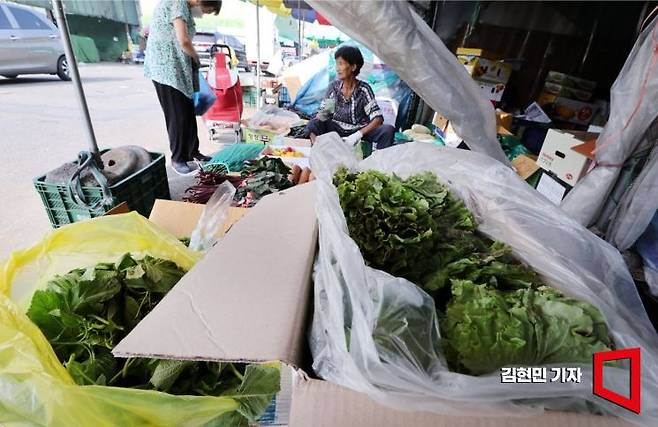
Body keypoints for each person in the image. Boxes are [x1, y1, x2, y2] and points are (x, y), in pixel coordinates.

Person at [145, 0, 222, 175]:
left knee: (187, 113)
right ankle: (178, 159)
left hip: (178, 69)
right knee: (177, 115)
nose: (202, 13)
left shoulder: (184, 6)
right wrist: (196, 57)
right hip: (167, 69)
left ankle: (192, 152)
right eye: (206, 10)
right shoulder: (178, 3)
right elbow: (184, 40)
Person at [305, 46, 395, 151]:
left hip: (359, 130)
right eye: (337, 64)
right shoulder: (334, 87)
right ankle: (318, 151)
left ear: (353, 67)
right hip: (335, 130)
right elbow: (325, 115)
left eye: (341, 63)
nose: (337, 68)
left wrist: (357, 135)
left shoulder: (363, 89)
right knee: (313, 124)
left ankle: (379, 163)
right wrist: (317, 120)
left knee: (388, 130)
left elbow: (378, 119)